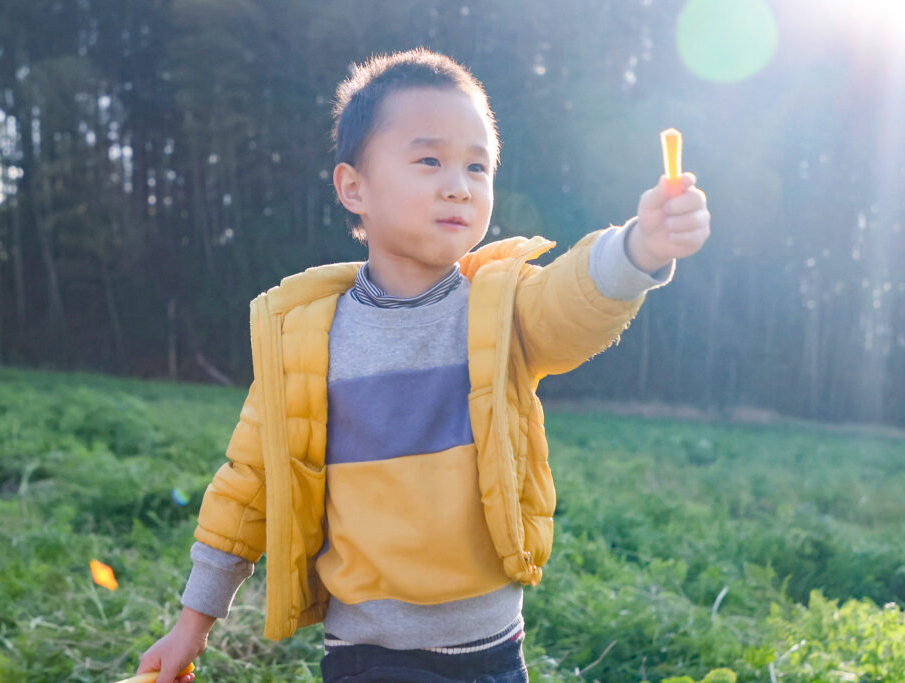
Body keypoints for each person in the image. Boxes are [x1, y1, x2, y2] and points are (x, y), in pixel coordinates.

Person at [136, 47, 710, 683]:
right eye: (429, 159)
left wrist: (639, 247)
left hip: (495, 649)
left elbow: (570, 300)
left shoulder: (501, 308)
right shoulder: (304, 340)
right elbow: (249, 485)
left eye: (477, 166)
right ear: (354, 187)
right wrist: (192, 623)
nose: (457, 184)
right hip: (369, 654)